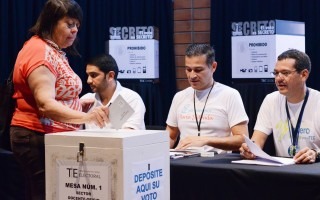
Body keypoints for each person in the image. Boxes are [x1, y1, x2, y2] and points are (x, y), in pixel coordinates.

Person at [10, 1, 108, 199]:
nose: (74, 31)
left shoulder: (53, 50)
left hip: (49, 136)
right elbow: (45, 104)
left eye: (77, 26)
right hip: (35, 136)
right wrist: (85, 118)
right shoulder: (40, 52)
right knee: (46, 194)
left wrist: (77, 104)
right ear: (51, 22)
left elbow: (55, 96)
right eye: (69, 24)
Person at [240, 49, 320, 164]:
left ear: (303, 75)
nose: (278, 78)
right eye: (276, 73)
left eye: (285, 73)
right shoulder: (271, 100)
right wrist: (249, 149)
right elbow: (257, 140)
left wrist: (315, 153)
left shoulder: (317, 101)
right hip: (283, 171)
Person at [166, 43, 249, 153]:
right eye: (188, 69)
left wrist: (206, 140)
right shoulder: (179, 97)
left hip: (215, 164)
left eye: (198, 70)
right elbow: (171, 136)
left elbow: (242, 139)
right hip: (182, 161)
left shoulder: (229, 95)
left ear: (213, 67)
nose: (192, 76)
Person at [81, 53, 146, 130]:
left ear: (111, 76)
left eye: (94, 75)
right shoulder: (86, 100)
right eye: (88, 75)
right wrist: (77, 109)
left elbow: (128, 137)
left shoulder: (130, 98)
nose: (88, 81)